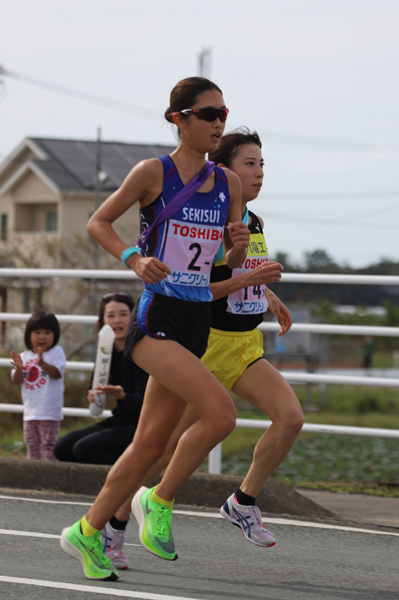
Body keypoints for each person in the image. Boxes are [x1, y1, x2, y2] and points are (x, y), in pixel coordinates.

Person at [60, 76, 250, 581]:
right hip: (157, 315)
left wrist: (235, 243)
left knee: (148, 444)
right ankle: (158, 500)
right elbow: (99, 222)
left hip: (196, 318)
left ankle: (87, 529)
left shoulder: (227, 183)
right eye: (209, 114)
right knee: (221, 414)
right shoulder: (152, 173)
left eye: (224, 115)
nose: (218, 124)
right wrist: (134, 258)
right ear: (178, 119)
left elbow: (224, 263)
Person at [101, 128, 303, 569]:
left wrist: (269, 296)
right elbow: (204, 287)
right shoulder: (207, 220)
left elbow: (244, 274)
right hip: (207, 342)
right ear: (226, 172)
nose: (259, 173)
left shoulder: (254, 223)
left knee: (290, 417)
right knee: (163, 448)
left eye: (262, 164)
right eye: (250, 164)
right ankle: (113, 528)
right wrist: (245, 278)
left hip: (247, 344)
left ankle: (242, 501)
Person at [54, 292, 148, 466]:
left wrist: (123, 396)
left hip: (142, 426)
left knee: (84, 449)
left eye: (123, 314)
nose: (117, 320)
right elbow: (95, 384)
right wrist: (93, 394)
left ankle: (139, 473)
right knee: (62, 448)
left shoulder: (142, 352)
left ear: (133, 317)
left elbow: (148, 401)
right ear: (103, 321)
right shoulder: (106, 351)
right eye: (110, 316)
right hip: (119, 420)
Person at [10, 311, 66, 461]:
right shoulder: (25, 356)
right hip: (30, 411)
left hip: (49, 411)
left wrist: (42, 364)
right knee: (32, 444)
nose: (42, 336)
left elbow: (57, 373)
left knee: (49, 445)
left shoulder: (56, 352)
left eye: (47, 332)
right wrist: (19, 369)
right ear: (29, 335)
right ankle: (34, 476)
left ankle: (50, 476)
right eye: (37, 332)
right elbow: (17, 381)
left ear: (55, 335)